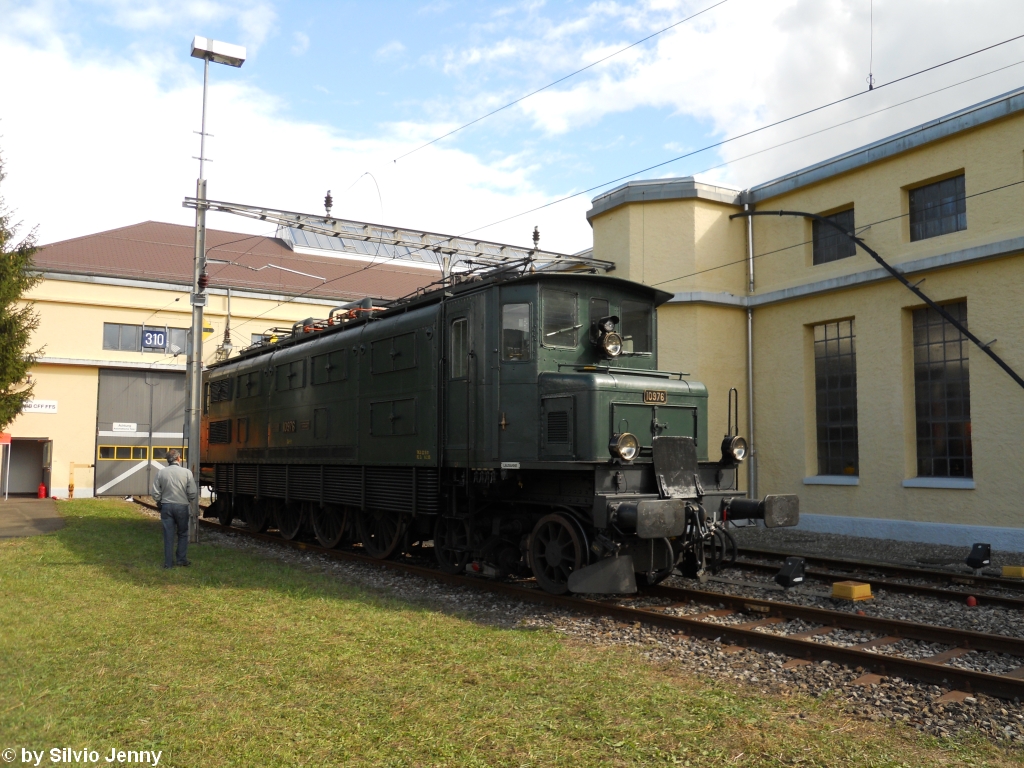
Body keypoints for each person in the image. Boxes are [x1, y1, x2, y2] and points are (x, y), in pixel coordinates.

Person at [151, 449, 197, 568]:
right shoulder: (187, 473)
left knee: (168, 534)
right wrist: (187, 499)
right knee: (182, 533)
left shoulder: (161, 473)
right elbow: (192, 492)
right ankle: (181, 559)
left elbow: (155, 492)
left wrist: (159, 502)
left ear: (167, 460)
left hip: (166, 506)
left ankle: (168, 563)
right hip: (182, 506)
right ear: (179, 458)